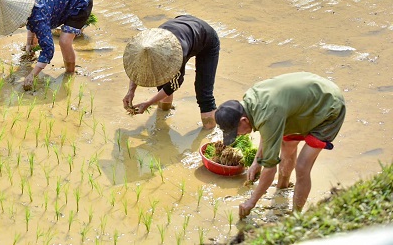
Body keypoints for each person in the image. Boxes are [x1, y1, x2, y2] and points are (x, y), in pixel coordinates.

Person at [215, 72, 346, 218]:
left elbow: (270, 168)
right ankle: (282, 188)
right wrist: (257, 162)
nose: (238, 135)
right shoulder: (250, 100)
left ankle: (296, 217)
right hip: (306, 102)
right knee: (286, 146)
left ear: (244, 120)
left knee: (302, 167)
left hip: (330, 107)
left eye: (235, 132)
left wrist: (251, 202)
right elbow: (268, 131)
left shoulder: (268, 116)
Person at [122, 15, 220, 129]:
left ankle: (209, 133)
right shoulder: (144, 47)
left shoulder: (177, 54)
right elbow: (137, 69)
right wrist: (131, 91)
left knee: (203, 93)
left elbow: (173, 85)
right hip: (183, 26)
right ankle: (163, 120)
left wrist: (148, 103)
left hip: (207, 40)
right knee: (162, 82)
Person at [0, 0, 93, 90]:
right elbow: (31, 24)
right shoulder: (32, 4)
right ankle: (34, 52)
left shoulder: (39, 17)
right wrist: (29, 45)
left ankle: (70, 72)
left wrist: (32, 75)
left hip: (80, 1)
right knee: (40, 33)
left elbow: (48, 50)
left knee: (64, 42)